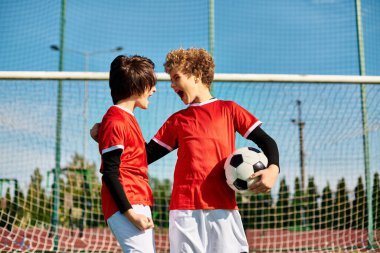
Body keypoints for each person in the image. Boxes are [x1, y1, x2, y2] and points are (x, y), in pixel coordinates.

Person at [91, 48, 279, 253]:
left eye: (176, 78)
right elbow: (141, 156)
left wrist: (273, 170)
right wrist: (106, 137)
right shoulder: (177, 121)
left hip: (223, 208)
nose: (171, 85)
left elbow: (267, 142)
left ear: (196, 75)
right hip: (184, 212)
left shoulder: (229, 109)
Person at [97, 54, 157, 253]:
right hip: (127, 203)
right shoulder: (116, 120)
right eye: (150, 84)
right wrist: (130, 214)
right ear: (136, 85)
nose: (154, 90)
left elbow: (137, 156)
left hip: (136, 198)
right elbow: (110, 172)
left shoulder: (125, 118)